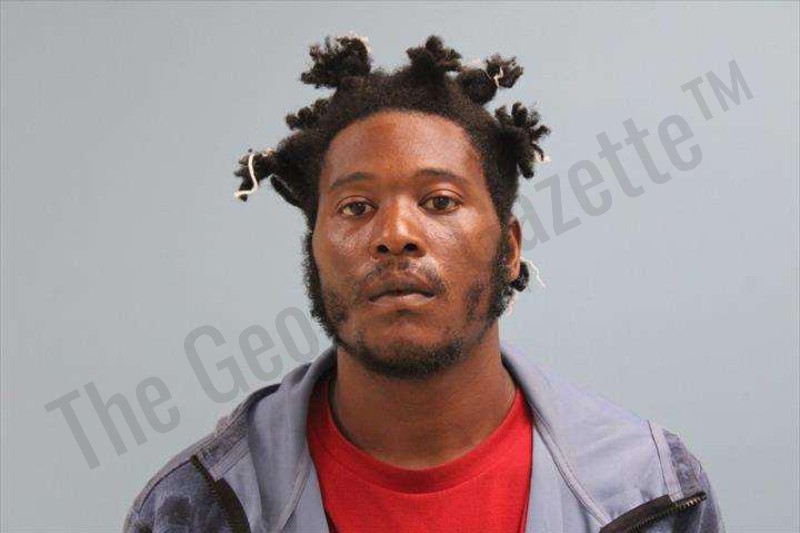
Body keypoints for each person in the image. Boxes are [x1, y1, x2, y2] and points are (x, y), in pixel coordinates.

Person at [123, 34, 726, 532]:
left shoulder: (652, 491)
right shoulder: (192, 510)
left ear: (510, 249)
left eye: (439, 201)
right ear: (313, 252)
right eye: (356, 208)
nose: (395, 235)